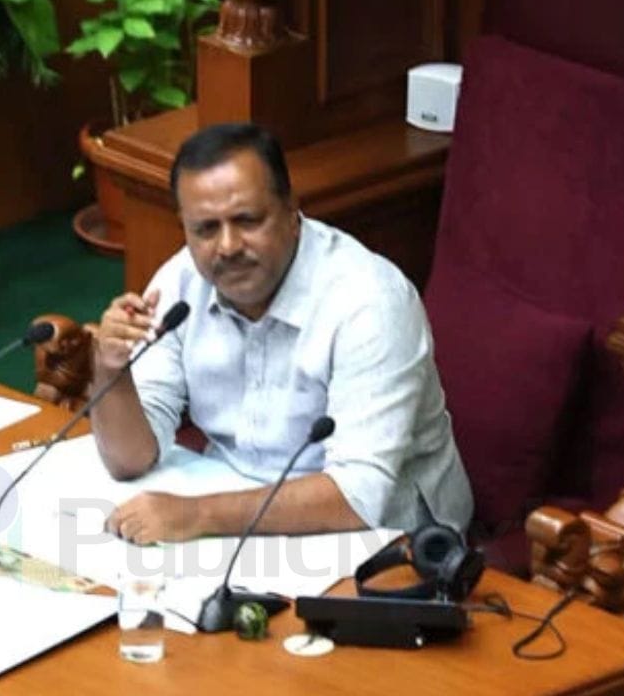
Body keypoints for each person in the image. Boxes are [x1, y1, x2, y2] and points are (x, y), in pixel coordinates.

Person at [92, 122, 473, 545]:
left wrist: (198, 515)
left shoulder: (370, 302)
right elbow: (130, 460)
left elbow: (359, 497)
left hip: (392, 540)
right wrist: (112, 370)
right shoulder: (181, 282)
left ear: (292, 213)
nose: (228, 246)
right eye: (206, 229)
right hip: (238, 517)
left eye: (247, 220)